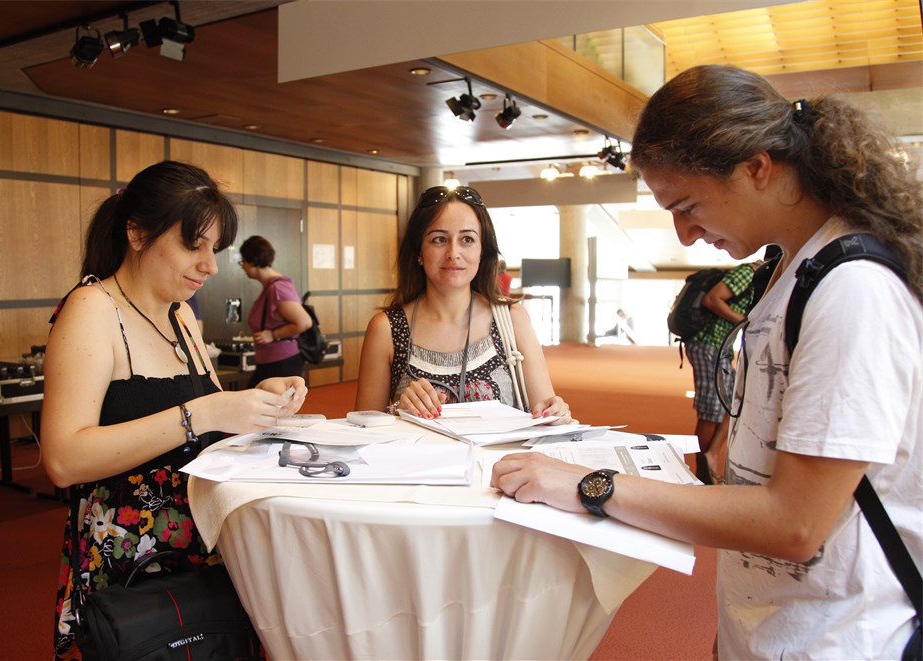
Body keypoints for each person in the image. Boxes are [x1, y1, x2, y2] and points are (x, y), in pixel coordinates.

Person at [490, 65, 921, 660]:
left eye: (687, 205)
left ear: (757, 168)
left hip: (847, 640)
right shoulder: (792, 269)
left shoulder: (852, 289)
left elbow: (795, 524)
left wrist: (591, 486)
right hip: (787, 628)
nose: (685, 235)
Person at [42, 161, 307, 659]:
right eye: (193, 245)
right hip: (128, 562)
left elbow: (204, 425)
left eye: (214, 249)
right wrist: (204, 412)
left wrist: (261, 401)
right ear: (137, 233)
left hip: (201, 549)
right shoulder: (93, 307)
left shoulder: (181, 314)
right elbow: (62, 459)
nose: (210, 265)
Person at [355, 185, 572, 421]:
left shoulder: (512, 320)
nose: (453, 253)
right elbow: (363, 428)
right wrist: (398, 410)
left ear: (482, 251)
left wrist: (555, 413)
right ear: (419, 252)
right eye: (439, 240)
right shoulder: (386, 329)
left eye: (467, 239)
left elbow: (546, 413)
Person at [685, 248, 777, 484]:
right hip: (708, 344)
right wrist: (747, 323)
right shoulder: (749, 272)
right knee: (711, 409)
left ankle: (712, 453)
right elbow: (712, 299)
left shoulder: (771, 280)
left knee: (733, 401)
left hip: (721, 348)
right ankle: (702, 473)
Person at [239, 235, 312, 387]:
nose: (242, 266)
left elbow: (304, 322)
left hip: (281, 362)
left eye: (243, 261)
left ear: (252, 261)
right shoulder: (270, 287)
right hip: (269, 361)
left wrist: (272, 335)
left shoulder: (278, 288)